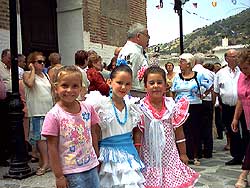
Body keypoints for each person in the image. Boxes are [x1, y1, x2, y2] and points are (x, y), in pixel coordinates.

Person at [139, 65, 199, 187]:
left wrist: (183, 153)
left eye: (159, 82)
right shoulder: (140, 108)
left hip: (170, 155)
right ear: (145, 86)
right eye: (151, 83)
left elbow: (179, 132)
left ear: (166, 85)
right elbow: (138, 134)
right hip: (149, 156)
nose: (156, 86)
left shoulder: (172, 107)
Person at [85, 64, 145, 187]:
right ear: (109, 82)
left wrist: (137, 150)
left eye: (127, 84)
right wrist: (95, 156)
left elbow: (136, 132)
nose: (123, 87)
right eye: (119, 82)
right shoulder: (101, 106)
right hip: (109, 156)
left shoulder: (132, 106)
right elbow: (94, 132)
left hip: (129, 155)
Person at [41, 66, 100, 188]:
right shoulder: (54, 115)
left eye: (75, 86)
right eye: (64, 85)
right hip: (71, 172)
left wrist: (97, 158)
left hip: (91, 166)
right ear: (56, 88)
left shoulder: (88, 109)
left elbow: (93, 134)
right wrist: (59, 176)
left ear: (81, 88)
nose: (69, 90)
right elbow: (52, 147)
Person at [171, 53, 213, 166]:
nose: (179, 64)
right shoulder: (177, 77)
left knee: (195, 131)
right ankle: (183, 154)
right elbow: (173, 91)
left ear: (189, 64)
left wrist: (203, 96)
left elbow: (210, 86)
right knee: (182, 131)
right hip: (180, 107)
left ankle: (195, 155)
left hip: (195, 106)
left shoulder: (198, 76)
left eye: (182, 61)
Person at [213, 49, 248, 166]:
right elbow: (216, 91)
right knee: (233, 132)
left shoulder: (243, 71)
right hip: (228, 106)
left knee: (246, 131)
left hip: (244, 106)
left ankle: (246, 155)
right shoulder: (220, 73)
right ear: (226, 58)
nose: (234, 59)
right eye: (232, 56)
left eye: (236, 56)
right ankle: (237, 156)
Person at [23, 51, 53, 175]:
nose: (42, 64)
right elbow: (29, 84)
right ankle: (45, 163)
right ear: (32, 63)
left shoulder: (46, 76)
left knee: (48, 137)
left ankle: (45, 161)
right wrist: (32, 70)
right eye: (39, 62)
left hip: (48, 110)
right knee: (40, 139)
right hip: (37, 111)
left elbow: (52, 90)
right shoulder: (27, 74)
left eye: (43, 62)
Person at [231, 49, 250, 188]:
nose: (243, 71)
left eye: (246, 68)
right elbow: (240, 98)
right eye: (241, 68)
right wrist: (236, 118)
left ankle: (243, 175)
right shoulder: (242, 77)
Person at [193, 53, 215, 159]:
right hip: (207, 101)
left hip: (196, 101)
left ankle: (198, 151)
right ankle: (208, 151)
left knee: (196, 126)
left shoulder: (192, 72)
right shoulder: (210, 73)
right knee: (207, 127)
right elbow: (213, 87)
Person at [118, 23, 149, 92]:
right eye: (147, 36)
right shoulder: (133, 52)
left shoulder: (130, 50)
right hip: (134, 94)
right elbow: (126, 79)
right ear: (138, 36)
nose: (148, 39)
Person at [0, 49, 11, 166]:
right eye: (9, 57)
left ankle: (8, 152)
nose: (11, 60)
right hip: (3, 101)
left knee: (8, 127)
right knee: (3, 127)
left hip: (11, 99)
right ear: (3, 56)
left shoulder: (11, 68)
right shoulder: (0, 67)